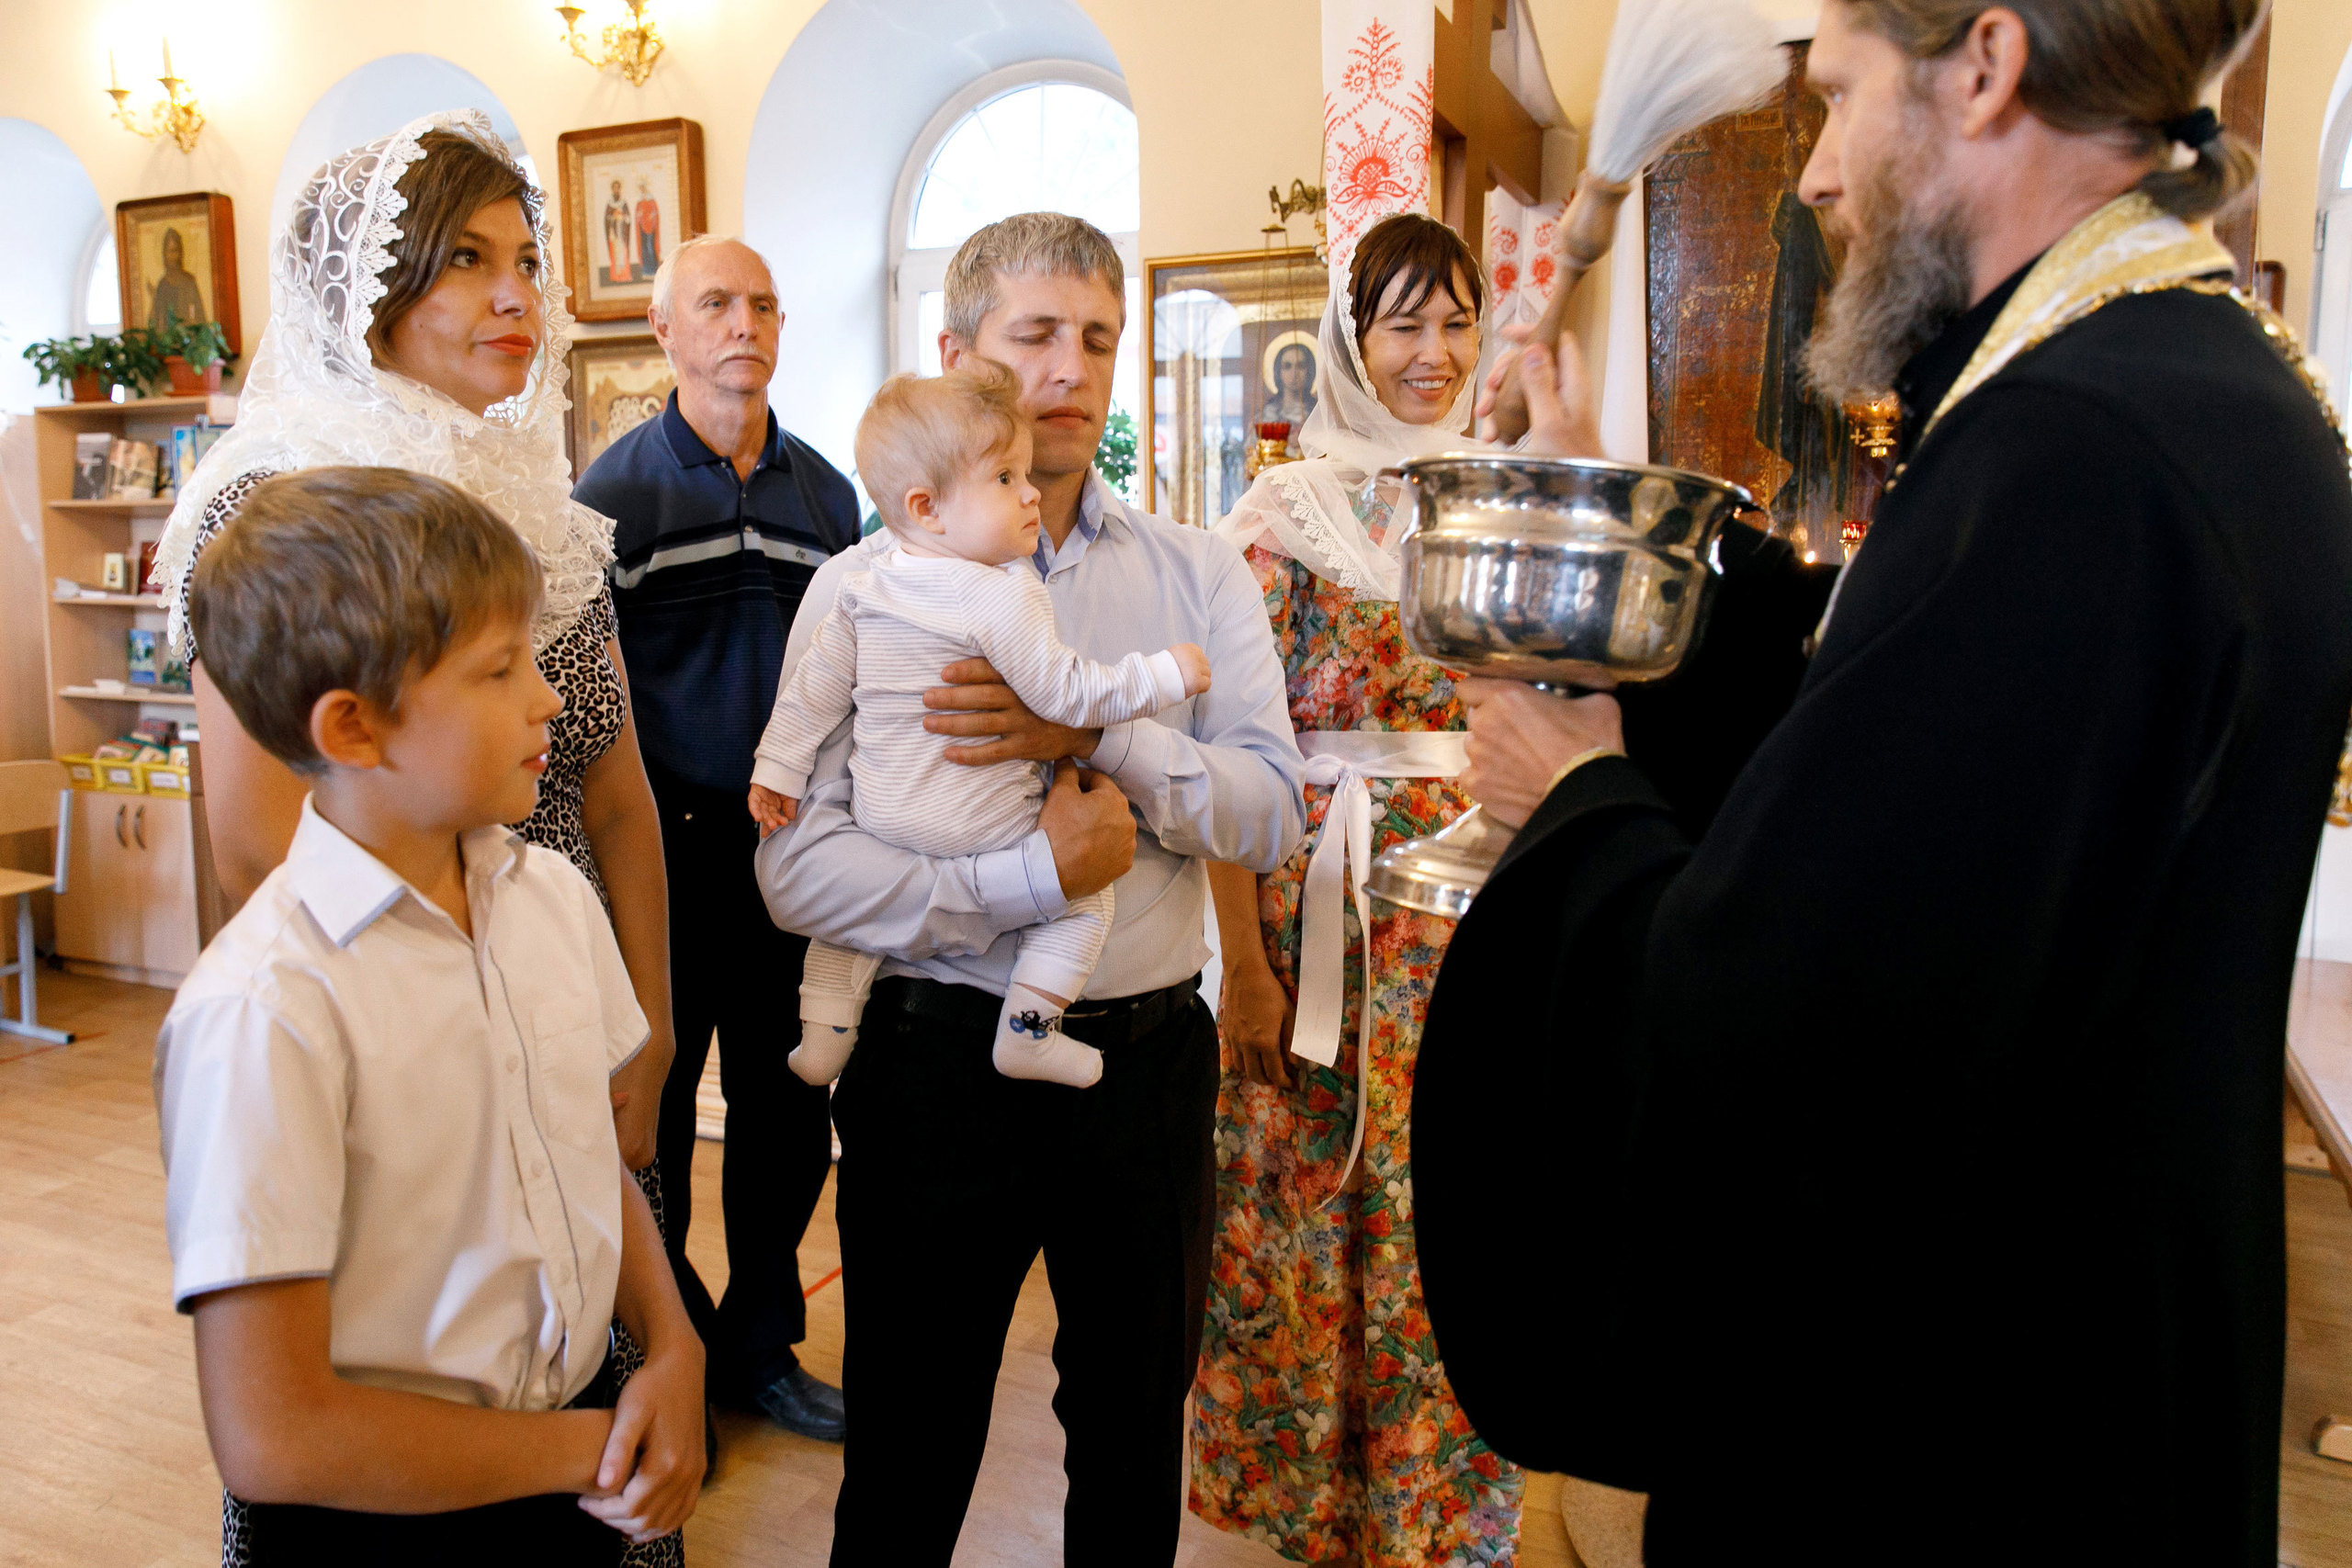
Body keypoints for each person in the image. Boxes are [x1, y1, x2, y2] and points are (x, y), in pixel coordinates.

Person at [1414, 2, 2352, 1563]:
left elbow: (1806, 1022)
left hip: (1964, 1445)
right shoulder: (2193, 388)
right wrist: (1613, 531)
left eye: (1842, 102)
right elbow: (1907, 751)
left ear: (1983, 67)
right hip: (2100, 1368)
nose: (1814, 180)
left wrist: (1576, 804)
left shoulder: (2076, 455)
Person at [154, 111, 684, 1568]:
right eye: (466, 259)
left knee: (594, 1339)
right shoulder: (290, 509)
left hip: (561, 980)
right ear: (363, 286)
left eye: (529, 259)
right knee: (439, 1350)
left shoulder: (538, 511)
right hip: (405, 1011)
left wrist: (639, 1038)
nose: (519, 295)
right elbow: (264, 848)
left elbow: (618, 796)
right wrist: (452, 995)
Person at [756, 210, 1306, 1564]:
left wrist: (1093, 736)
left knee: (1131, 1444)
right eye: (1036, 335)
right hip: (935, 1058)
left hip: (1143, 1068)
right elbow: (797, 861)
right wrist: (1021, 879)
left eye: (1098, 339)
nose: (1072, 367)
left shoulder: (1196, 570)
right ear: (957, 356)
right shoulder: (860, 591)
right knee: (906, 1449)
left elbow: (1269, 807)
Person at [1184, 211, 1523, 1566]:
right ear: (1350, 337)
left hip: (1472, 903)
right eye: (1405, 323)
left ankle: (1435, 1506)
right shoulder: (1278, 519)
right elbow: (1222, 757)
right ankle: (1315, 1507)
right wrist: (1246, 964)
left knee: (1460, 1197)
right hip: (1310, 896)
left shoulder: (1512, 493)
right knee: (1307, 1197)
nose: (1435, 353)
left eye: (1456, 321)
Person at [573, 233, 858, 1442]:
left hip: (796, 857)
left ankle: (759, 1339)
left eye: (762, 304)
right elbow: (594, 697)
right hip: (665, 857)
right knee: (662, 1097)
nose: (743, 323)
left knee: (789, 1109)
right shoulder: (611, 495)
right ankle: (666, 1338)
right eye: (716, 304)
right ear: (665, 332)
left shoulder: (828, 494)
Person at [752, 364, 1213, 1089]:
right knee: (1085, 904)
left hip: (881, 820)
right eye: (1005, 478)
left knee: (851, 924)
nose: (1030, 492)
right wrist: (1161, 674)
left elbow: (811, 693)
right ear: (928, 507)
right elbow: (1066, 693)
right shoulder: (1002, 594)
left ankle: (823, 1035)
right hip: (980, 825)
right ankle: (1029, 1030)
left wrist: (775, 771)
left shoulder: (865, 588)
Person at [148, 226, 208, 334]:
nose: (172, 256)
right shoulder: (162, 284)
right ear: (164, 254)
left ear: (181, 253)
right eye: (169, 251)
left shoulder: (189, 281)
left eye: (175, 251)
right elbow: (155, 319)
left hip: (188, 337)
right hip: (167, 341)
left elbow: (200, 316)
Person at [605, 179, 635, 286]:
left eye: (618, 187)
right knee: (615, 254)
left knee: (623, 253)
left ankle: (625, 275)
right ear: (612, 189)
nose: (616, 190)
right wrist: (613, 216)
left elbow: (628, 218)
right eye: (614, 188)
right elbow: (607, 219)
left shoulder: (623, 202)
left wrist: (622, 216)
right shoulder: (610, 203)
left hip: (622, 235)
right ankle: (616, 276)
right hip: (614, 235)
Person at [636, 179, 662, 288]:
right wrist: (639, 216)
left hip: (650, 227)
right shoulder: (639, 201)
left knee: (650, 247)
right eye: (640, 188)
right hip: (642, 227)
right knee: (644, 249)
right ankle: (646, 270)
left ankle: (653, 270)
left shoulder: (651, 199)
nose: (642, 189)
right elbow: (637, 214)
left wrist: (651, 217)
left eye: (643, 187)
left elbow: (654, 212)